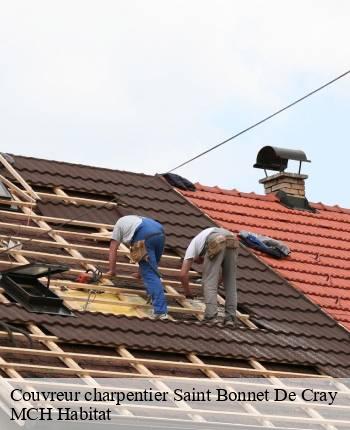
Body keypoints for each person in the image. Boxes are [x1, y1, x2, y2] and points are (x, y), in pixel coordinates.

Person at [106, 215, 168, 319]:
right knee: (151, 268)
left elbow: (113, 248)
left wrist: (112, 271)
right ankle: (152, 296)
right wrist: (140, 273)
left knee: (149, 273)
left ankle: (160, 311)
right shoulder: (134, 219)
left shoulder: (118, 226)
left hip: (144, 234)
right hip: (160, 233)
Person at [180, 227, 239, 325]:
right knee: (231, 282)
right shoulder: (201, 242)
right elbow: (223, 276)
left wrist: (188, 293)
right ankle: (230, 319)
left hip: (216, 239)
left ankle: (210, 317)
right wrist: (214, 287)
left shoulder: (192, 247)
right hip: (232, 239)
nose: (201, 262)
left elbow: (182, 275)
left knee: (208, 281)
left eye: (198, 261)